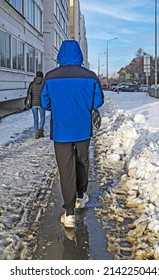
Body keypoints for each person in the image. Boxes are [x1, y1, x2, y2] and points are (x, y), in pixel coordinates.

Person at [40, 40, 104, 228]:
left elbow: (45, 103)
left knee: (65, 168)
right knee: (82, 161)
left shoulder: (50, 77)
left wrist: (59, 107)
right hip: (83, 129)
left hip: (61, 129)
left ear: (60, 54)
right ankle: (81, 196)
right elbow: (98, 101)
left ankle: (69, 213)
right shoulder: (90, 76)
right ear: (79, 55)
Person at [27, 71, 45, 139]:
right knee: (42, 117)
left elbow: (29, 93)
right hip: (41, 104)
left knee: (35, 119)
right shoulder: (43, 84)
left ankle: (36, 133)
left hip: (33, 104)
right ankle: (41, 130)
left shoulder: (32, 84)